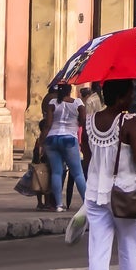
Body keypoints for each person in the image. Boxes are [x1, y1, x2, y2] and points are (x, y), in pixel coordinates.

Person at [81, 78, 136, 270]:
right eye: (130, 94)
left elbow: (88, 159)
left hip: (95, 193)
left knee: (98, 247)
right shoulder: (129, 121)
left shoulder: (90, 121)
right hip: (124, 192)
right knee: (130, 243)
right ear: (121, 97)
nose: (132, 98)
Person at [42, 82, 88, 212]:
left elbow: (48, 123)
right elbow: (83, 120)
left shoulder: (53, 103)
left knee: (57, 172)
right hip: (69, 138)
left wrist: (41, 142)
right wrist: (76, 123)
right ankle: (86, 203)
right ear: (70, 91)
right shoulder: (77, 102)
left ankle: (59, 205)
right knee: (78, 173)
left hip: (52, 138)